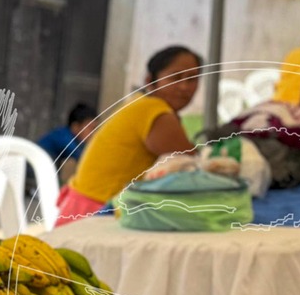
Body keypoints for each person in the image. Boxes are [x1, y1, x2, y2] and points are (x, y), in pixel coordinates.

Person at [57, 46, 201, 220]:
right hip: (96, 213)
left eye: (192, 79)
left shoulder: (140, 103)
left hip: (80, 207)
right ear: (150, 81)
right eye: (175, 77)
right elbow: (192, 166)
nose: (184, 87)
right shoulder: (152, 109)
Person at [35, 102, 99, 176]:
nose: (93, 133)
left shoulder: (69, 137)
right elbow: (85, 159)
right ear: (75, 126)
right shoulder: (64, 138)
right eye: (90, 128)